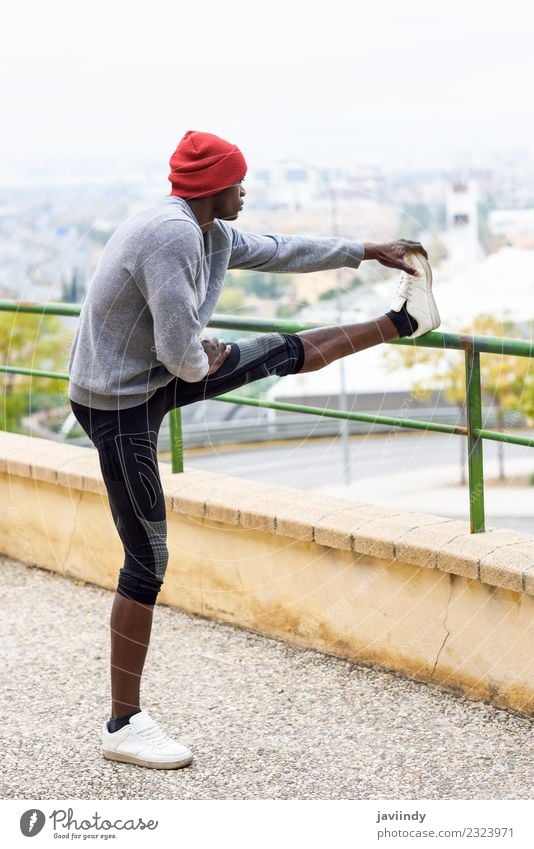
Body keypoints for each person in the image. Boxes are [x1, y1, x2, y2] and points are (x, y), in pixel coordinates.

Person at [67, 130, 440, 770]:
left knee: (279, 351)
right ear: (217, 188)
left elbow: (276, 250)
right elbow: (180, 351)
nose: (247, 191)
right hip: (118, 403)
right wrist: (200, 360)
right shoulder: (172, 235)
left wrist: (363, 251)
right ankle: (123, 724)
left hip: (151, 379)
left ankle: (404, 321)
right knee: (147, 558)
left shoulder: (205, 229)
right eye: (241, 182)